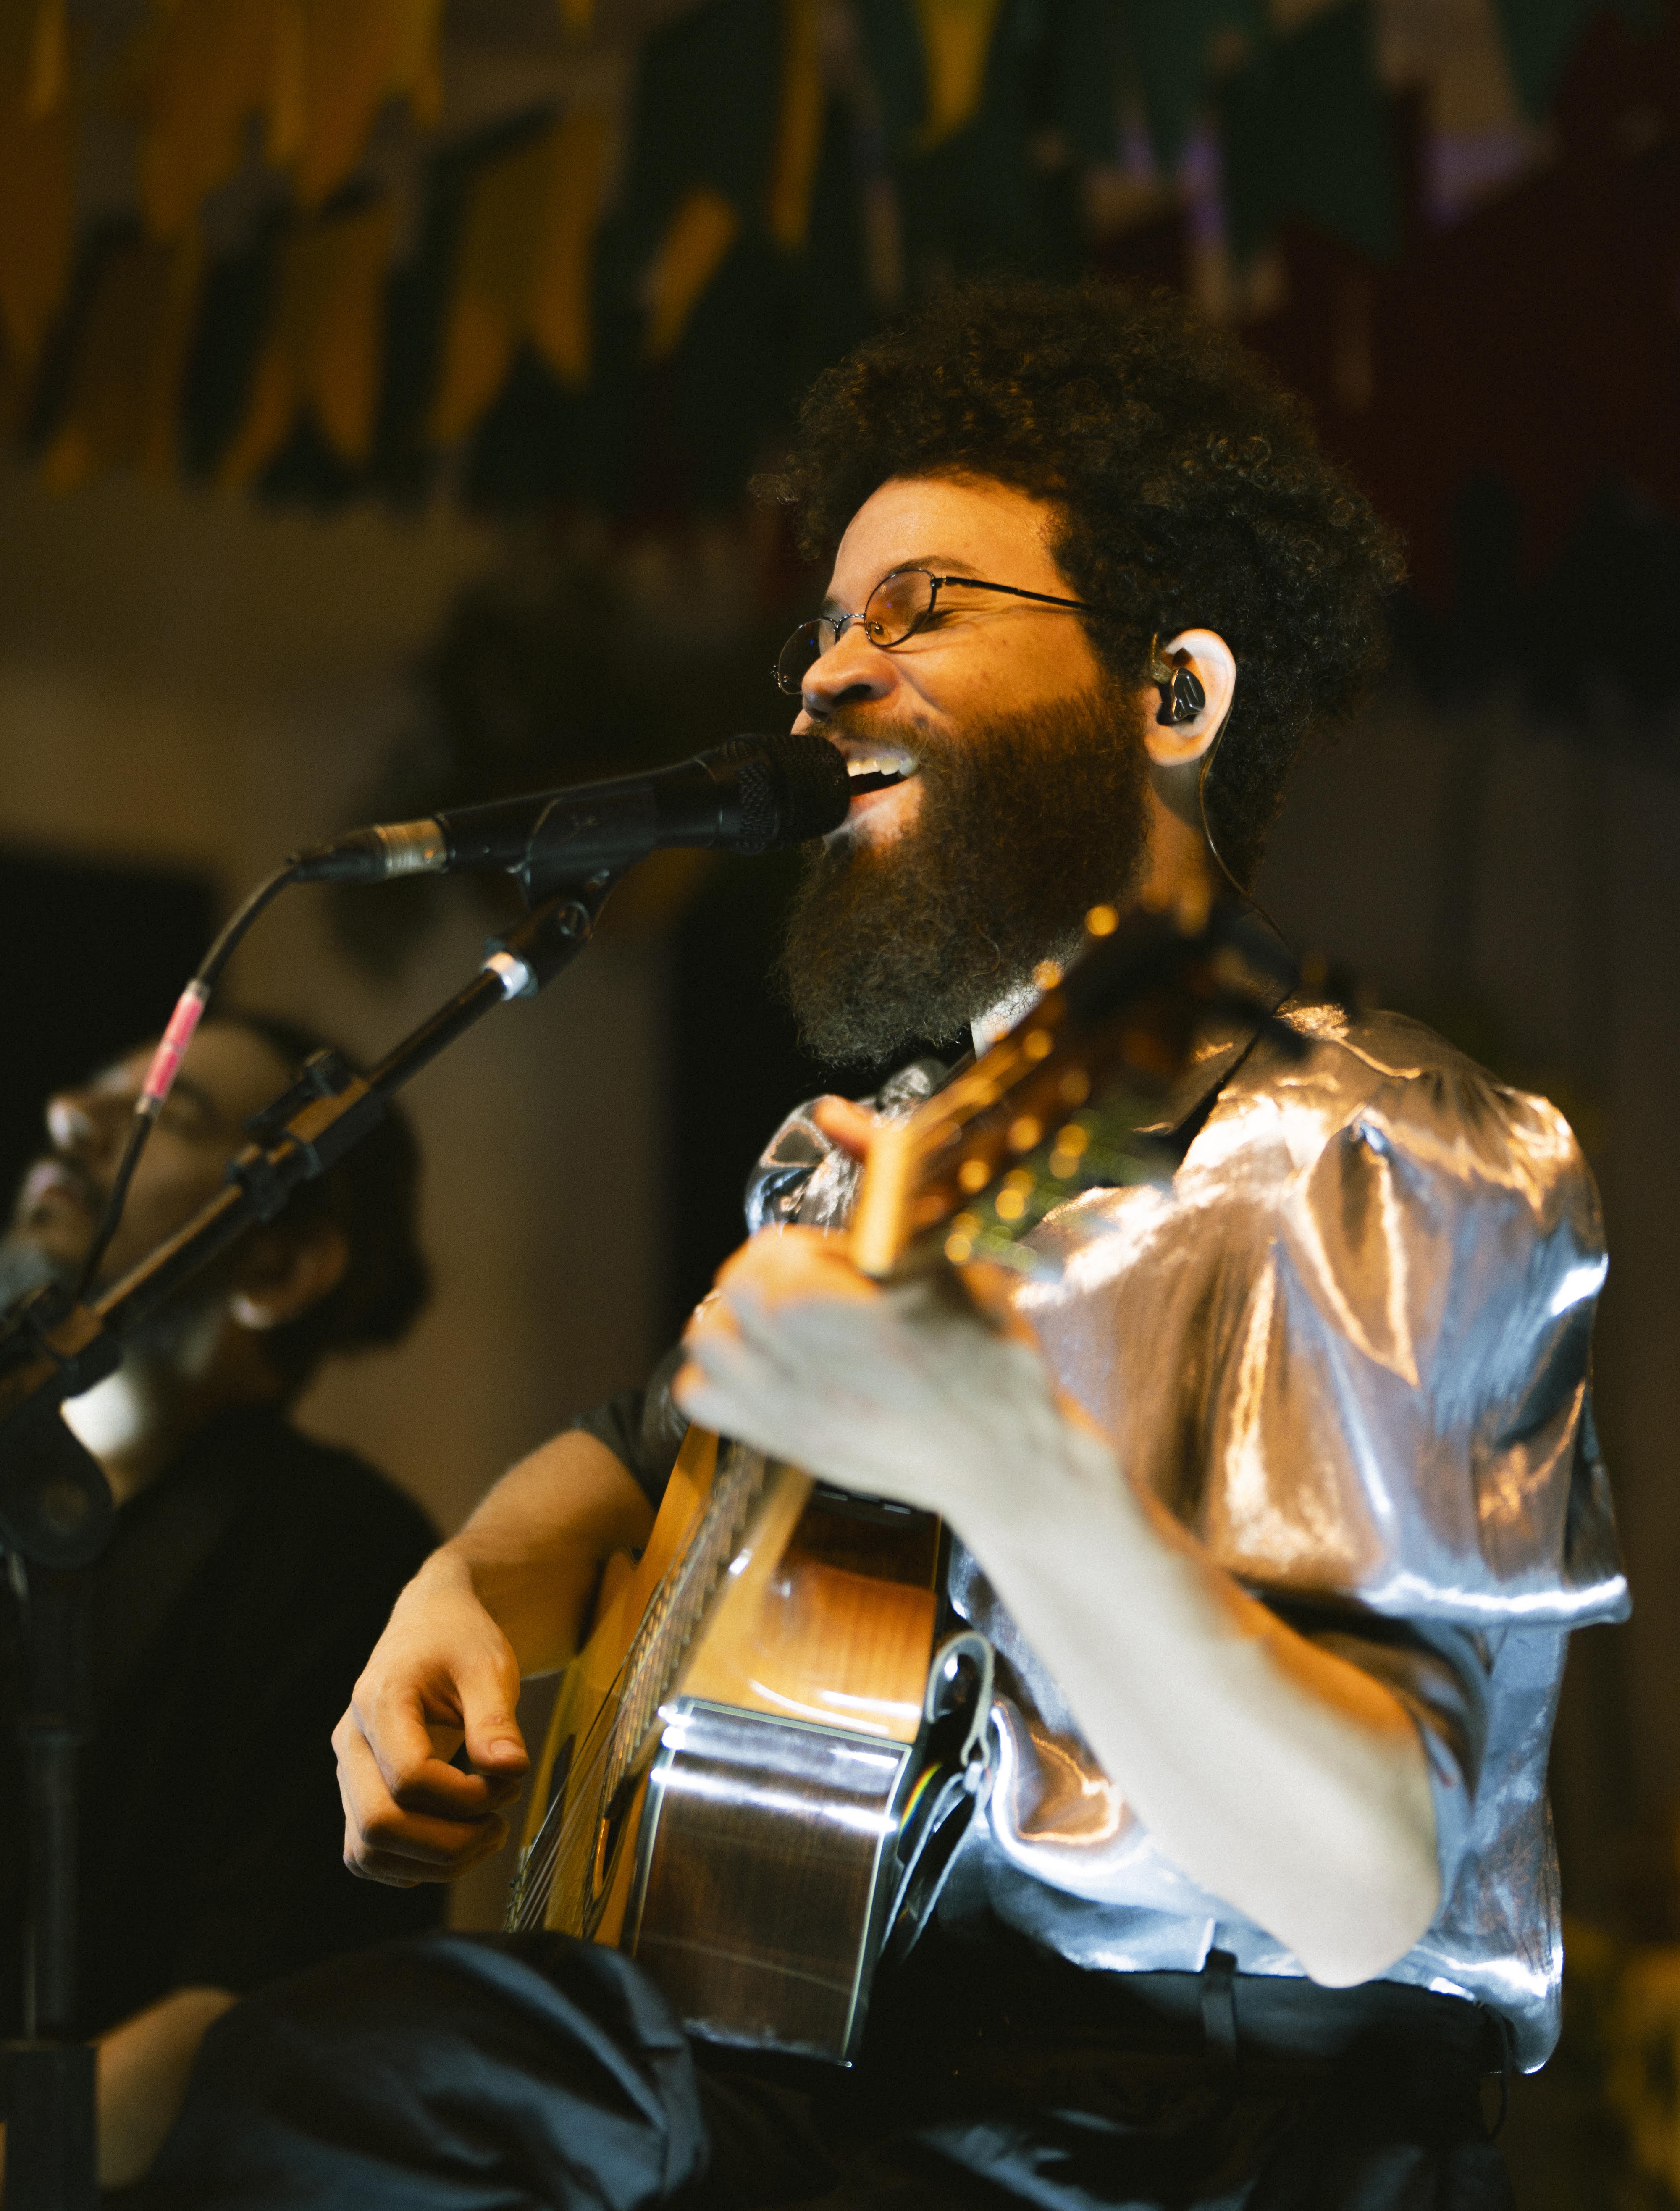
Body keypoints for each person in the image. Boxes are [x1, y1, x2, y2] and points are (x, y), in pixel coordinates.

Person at [148, 281, 1624, 2210]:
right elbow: (655, 1435)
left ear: (1172, 695)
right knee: (320, 2083)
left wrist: (993, 1457)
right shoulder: (896, 1156)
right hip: (827, 2077)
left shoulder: (1376, 1150)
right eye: (827, 623)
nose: (827, 678)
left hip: (1192, 2141)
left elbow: (1360, 1883)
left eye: (918, 608)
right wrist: (488, 1568)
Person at [0, 1009, 443, 2194]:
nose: (75, 1118)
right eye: (96, 1087)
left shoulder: (338, 1552)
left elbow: (253, 2011)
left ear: (279, 1267)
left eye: (167, 1113)